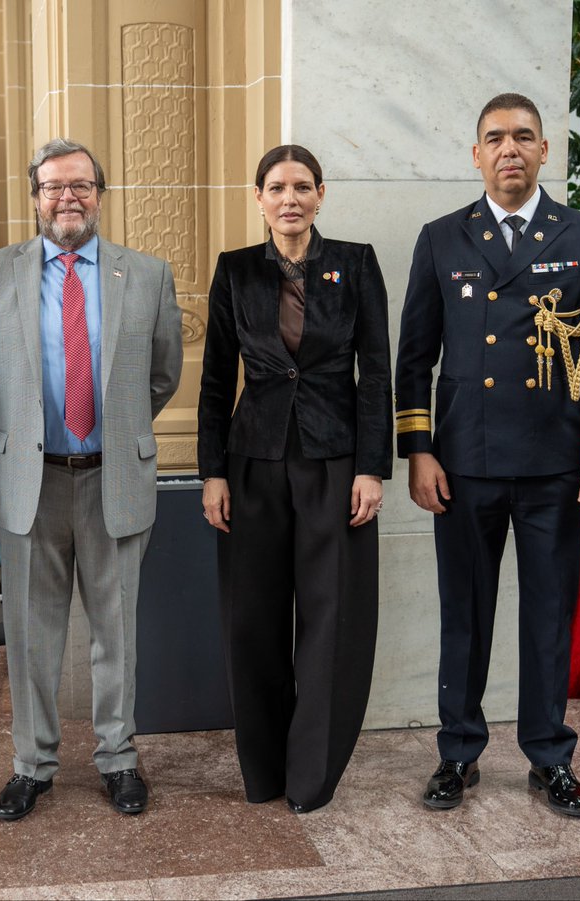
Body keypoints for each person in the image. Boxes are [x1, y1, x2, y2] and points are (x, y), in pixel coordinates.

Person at [395, 93, 580, 818]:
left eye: (523, 137)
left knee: (549, 613)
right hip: (464, 464)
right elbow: (414, 359)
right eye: (495, 137)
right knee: (463, 613)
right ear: (475, 154)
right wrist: (418, 451)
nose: (509, 148)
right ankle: (458, 752)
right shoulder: (442, 238)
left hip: (555, 465)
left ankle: (549, 756)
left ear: (543, 151)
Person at [0, 138, 183, 821]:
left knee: (116, 633)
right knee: (31, 633)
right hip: (32, 481)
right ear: (35, 198)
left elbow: (163, 372)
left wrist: (115, 425)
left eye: (80, 185)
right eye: (53, 187)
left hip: (114, 478)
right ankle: (33, 764)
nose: (67, 198)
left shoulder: (145, 273)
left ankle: (118, 758)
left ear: (100, 194)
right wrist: (26, 426)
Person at [196, 145, 392, 813]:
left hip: (335, 465)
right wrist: (212, 472)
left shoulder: (357, 264)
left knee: (332, 620)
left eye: (302, 186)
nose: (290, 197)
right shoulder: (236, 271)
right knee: (252, 620)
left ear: (320, 194)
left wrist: (372, 466)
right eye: (276, 186)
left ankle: (312, 776)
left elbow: (378, 375)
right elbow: (218, 378)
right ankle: (265, 770)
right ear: (258, 198)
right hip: (252, 464)